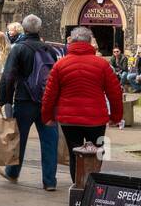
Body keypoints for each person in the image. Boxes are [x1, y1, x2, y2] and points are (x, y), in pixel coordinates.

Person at [41, 26, 124, 183]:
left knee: (74, 154)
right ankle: (93, 186)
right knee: (98, 152)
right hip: (96, 118)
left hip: (69, 120)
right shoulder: (102, 65)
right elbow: (115, 93)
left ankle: (78, 186)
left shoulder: (60, 65)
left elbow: (49, 95)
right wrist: (116, 117)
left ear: (72, 41)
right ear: (90, 42)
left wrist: (48, 116)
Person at [0, 14, 60, 191]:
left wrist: (3, 101)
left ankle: (12, 172)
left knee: (19, 139)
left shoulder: (18, 49)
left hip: (24, 100)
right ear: (39, 29)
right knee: (49, 142)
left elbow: (8, 77)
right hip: (46, 101)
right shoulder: (50, 50)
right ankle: (49, 181)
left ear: (24, 29)